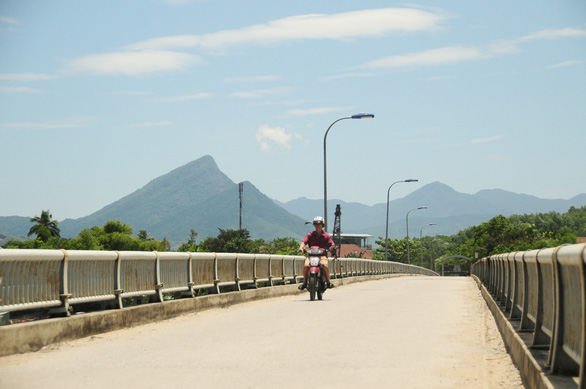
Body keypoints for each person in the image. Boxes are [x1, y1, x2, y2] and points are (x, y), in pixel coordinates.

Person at [298, 216, 335, 290]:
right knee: (306, 266)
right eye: (315, 224)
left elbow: (332, 244)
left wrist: (331, 248)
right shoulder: (310, 234)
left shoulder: (327, 236)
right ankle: (304, 283)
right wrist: (301, 247)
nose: (317, 225)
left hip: (322, 256)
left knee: (324, 265)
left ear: (322, 225)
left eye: (319, 224)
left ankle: (328, 282)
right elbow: (304, 242)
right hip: (311, 256)